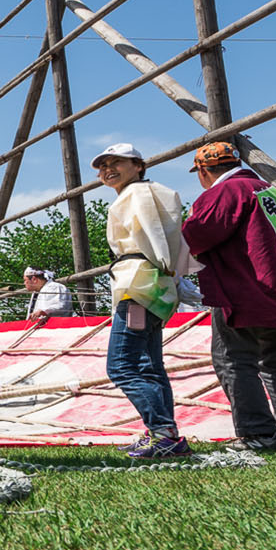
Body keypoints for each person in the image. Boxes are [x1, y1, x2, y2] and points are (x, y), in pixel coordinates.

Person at [181, 141, 276, 451]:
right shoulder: (271, 190)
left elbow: (196, 235)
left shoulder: (224, 193)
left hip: (245, 287)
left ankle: (259, 434)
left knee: (234, 359)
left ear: (203, 171)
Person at [92, 143, 189, 459]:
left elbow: (154, 235)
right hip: (154, 284)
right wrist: (172, 276)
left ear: (137, 165)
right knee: (150, 365)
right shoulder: (152, 192)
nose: (108, 169)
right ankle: (163, 432)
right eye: (103, 165)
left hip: (138, 283)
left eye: (116, 162)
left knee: (121, 365)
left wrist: (165, 265)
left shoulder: (138, 194)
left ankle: (163, 432)